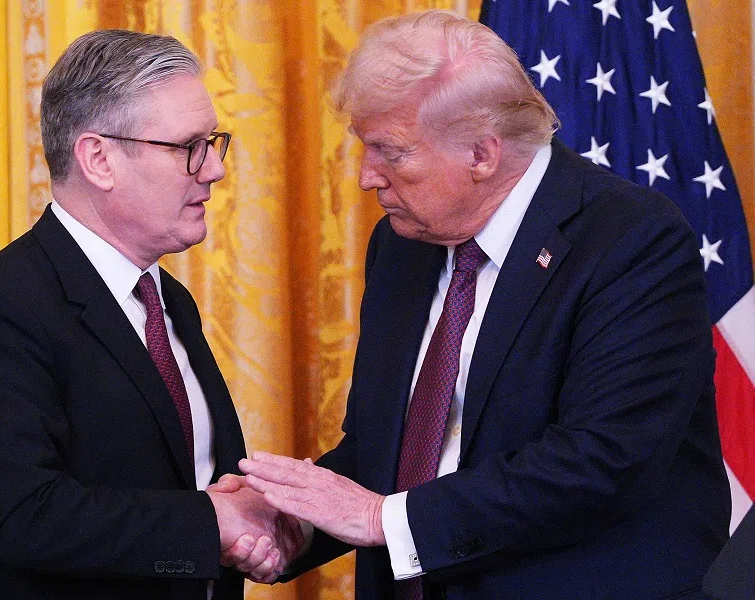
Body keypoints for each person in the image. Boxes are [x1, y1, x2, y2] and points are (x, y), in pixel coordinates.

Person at [237, 10, 731, 600]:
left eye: (390, 152)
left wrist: (381, 521)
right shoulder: (402, 245)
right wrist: (291, 522)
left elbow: (600, 462)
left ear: (481, 155)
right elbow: (389, 449)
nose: (368, 177)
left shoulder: (631, 240)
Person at [0, 30, 299, 600]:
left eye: (213, 142)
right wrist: (212, 524)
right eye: (187, 147)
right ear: (98, 158)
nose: (214, 170)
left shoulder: (168, 300)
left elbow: (187, 479)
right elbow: (22, 515)